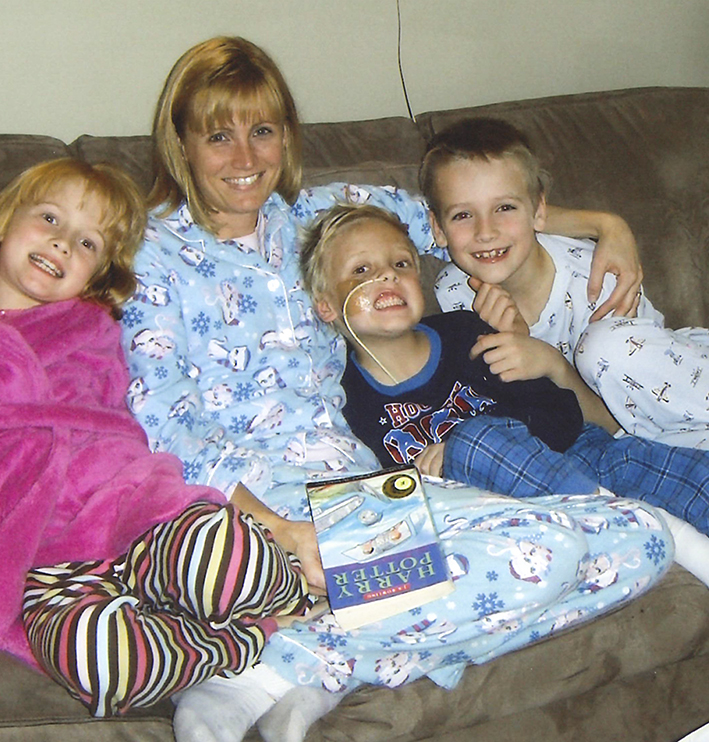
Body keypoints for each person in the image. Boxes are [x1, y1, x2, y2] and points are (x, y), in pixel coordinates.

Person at [122, 36, 672, 742]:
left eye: (263, 131)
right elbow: (164, 429)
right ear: (181, 143)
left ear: (287, 137)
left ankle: (300, 665)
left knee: (642, 539)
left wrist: (605, 226)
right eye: (218, 136)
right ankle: (260, 677)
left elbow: (463, 215)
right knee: (562, 553)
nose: (246, 158)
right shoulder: (150, 254)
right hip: (262, 498)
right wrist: (282, 535)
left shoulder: (312, 217)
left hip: (370, 480)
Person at [0, 158, 311, 717]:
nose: (63, 243)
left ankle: (289, 586)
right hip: (27, 553)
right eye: (49, 218)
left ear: (95, 276)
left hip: (124, 506)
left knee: (226, 553)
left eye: (88, 243)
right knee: (103, 663)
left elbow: (140, 420)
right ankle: (250, 633)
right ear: (3, 220)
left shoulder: (92, 331)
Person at [300, 201, 709, 681]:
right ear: (326, 306)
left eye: (401, 264)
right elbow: (383, 515)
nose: (387, 276)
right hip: (510, 522)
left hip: (580, 459)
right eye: (361, 271)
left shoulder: (466, 331)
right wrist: (429, 472)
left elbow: (561, 413)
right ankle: (659, 528)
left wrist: (525, 377)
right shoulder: (347, 404)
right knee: (477, 444)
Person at [424, 116, 709, 665]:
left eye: (505, 208)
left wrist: (606, 229)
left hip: (675, 399)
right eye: (463, 216)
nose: (485, 231)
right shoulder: (457, 299)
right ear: (438, 229)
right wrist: (541, 370)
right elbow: (595, 436)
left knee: (607, 348)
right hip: (623, 451)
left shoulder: (594, 272)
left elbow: (642, 392)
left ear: (539, 210)